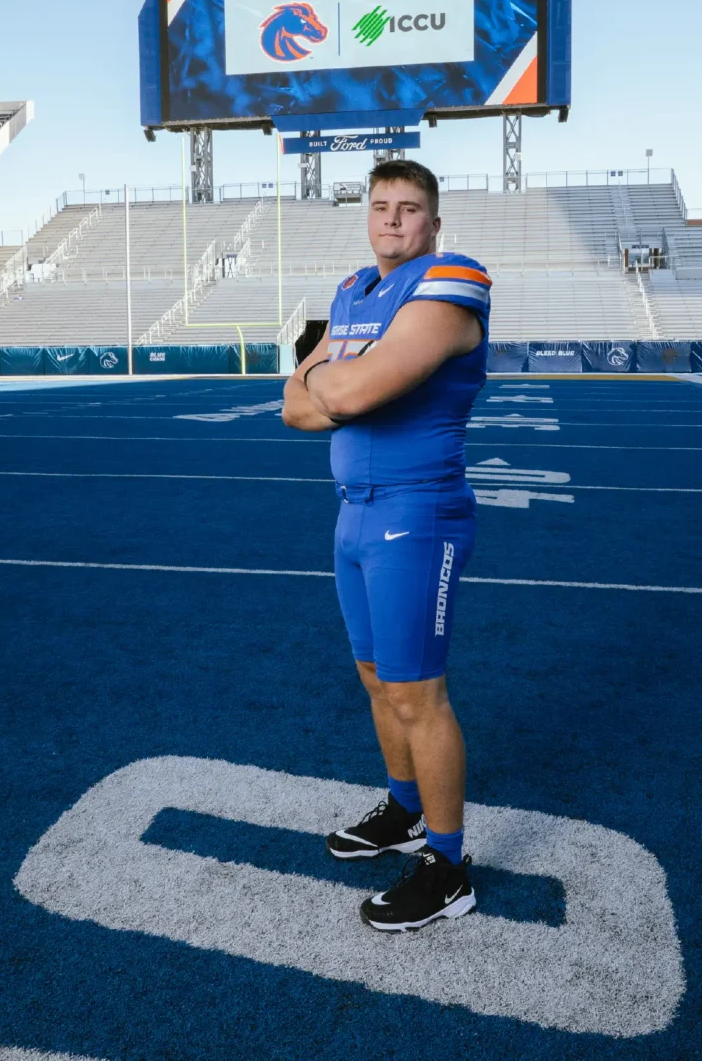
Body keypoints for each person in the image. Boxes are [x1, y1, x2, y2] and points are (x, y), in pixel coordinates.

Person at [282, 159, 491, 932]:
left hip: (418, 514)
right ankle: (405, 811)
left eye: (409, 209)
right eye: (381, 207)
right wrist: (332, 380)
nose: (393, 221)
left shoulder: (449, 282)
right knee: (375, 680)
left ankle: (448, 866)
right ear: (366, 217)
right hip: (354, 513)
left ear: (433, 223)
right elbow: (294, 411)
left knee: (417, 694)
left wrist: (331, 376)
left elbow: (346, 392)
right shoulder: (353, 291)